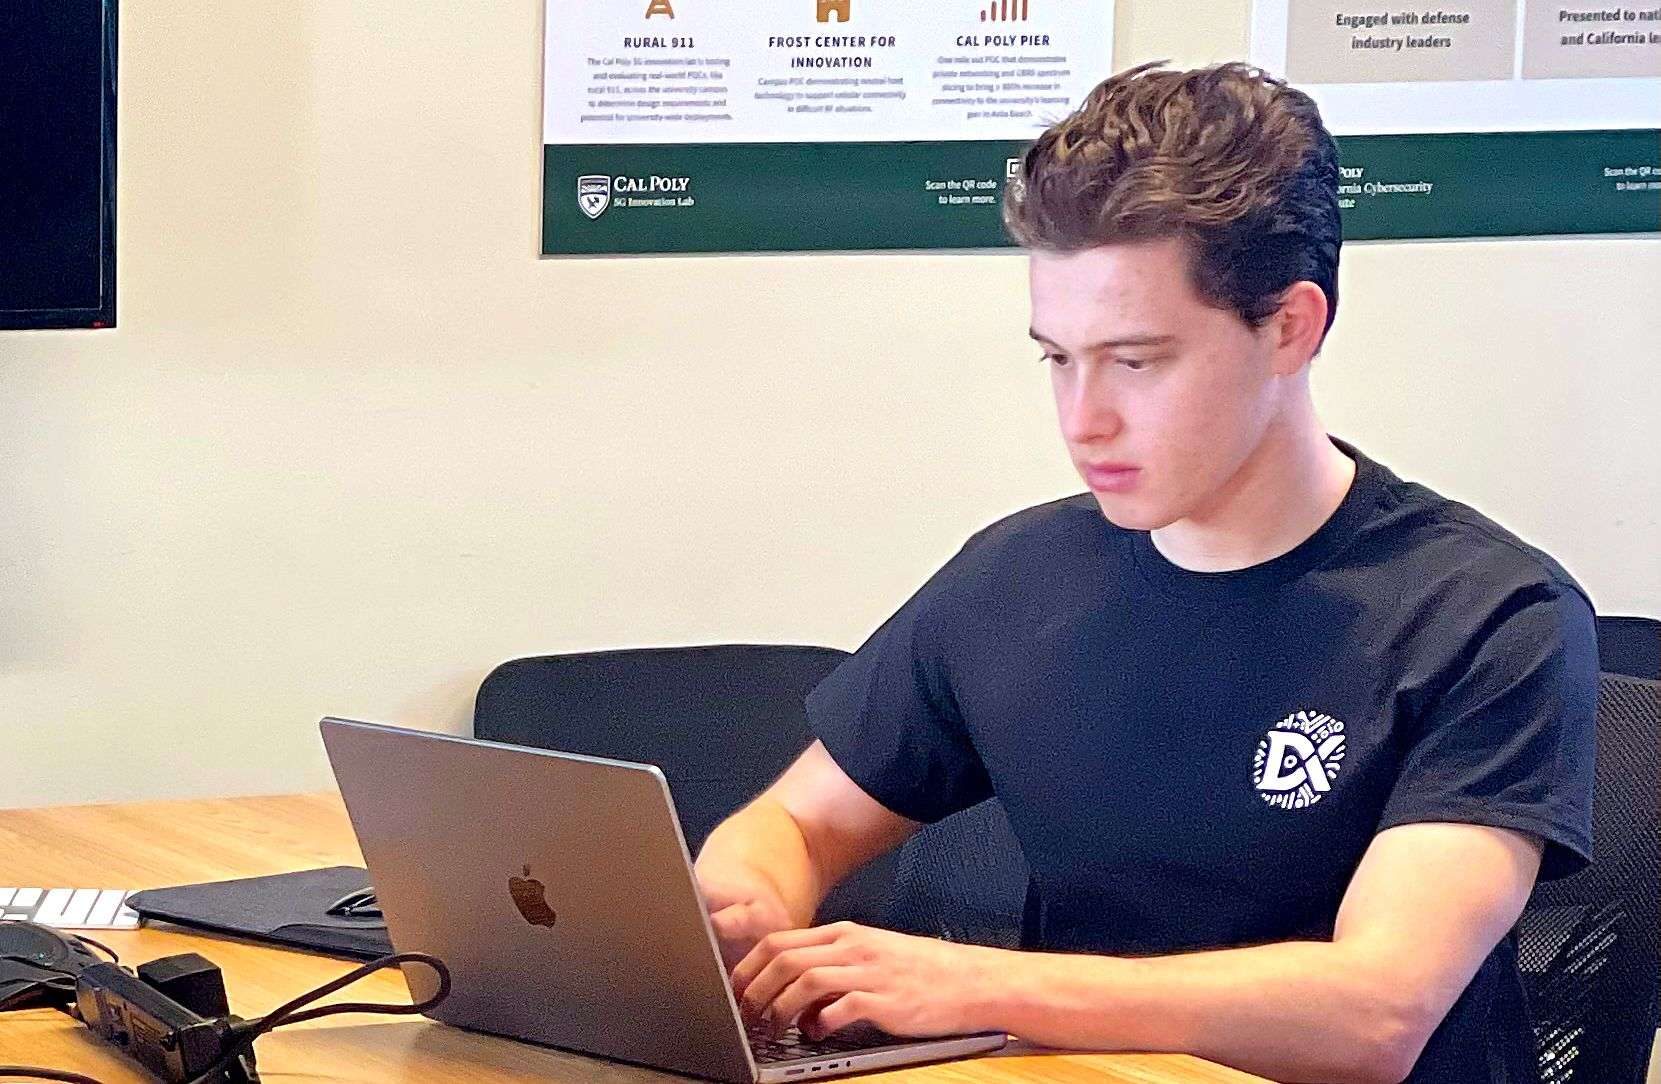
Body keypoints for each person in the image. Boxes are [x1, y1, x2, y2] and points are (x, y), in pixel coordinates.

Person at [692, 61, 1597, 1084]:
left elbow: (1375, 1009)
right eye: (1057, 359)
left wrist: (977, 986)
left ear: (1289, 326)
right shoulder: (1015, 576)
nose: (1083, 419)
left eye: (1135, 361)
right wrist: (745, 901)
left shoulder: (1484, 614)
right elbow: (797, 821)